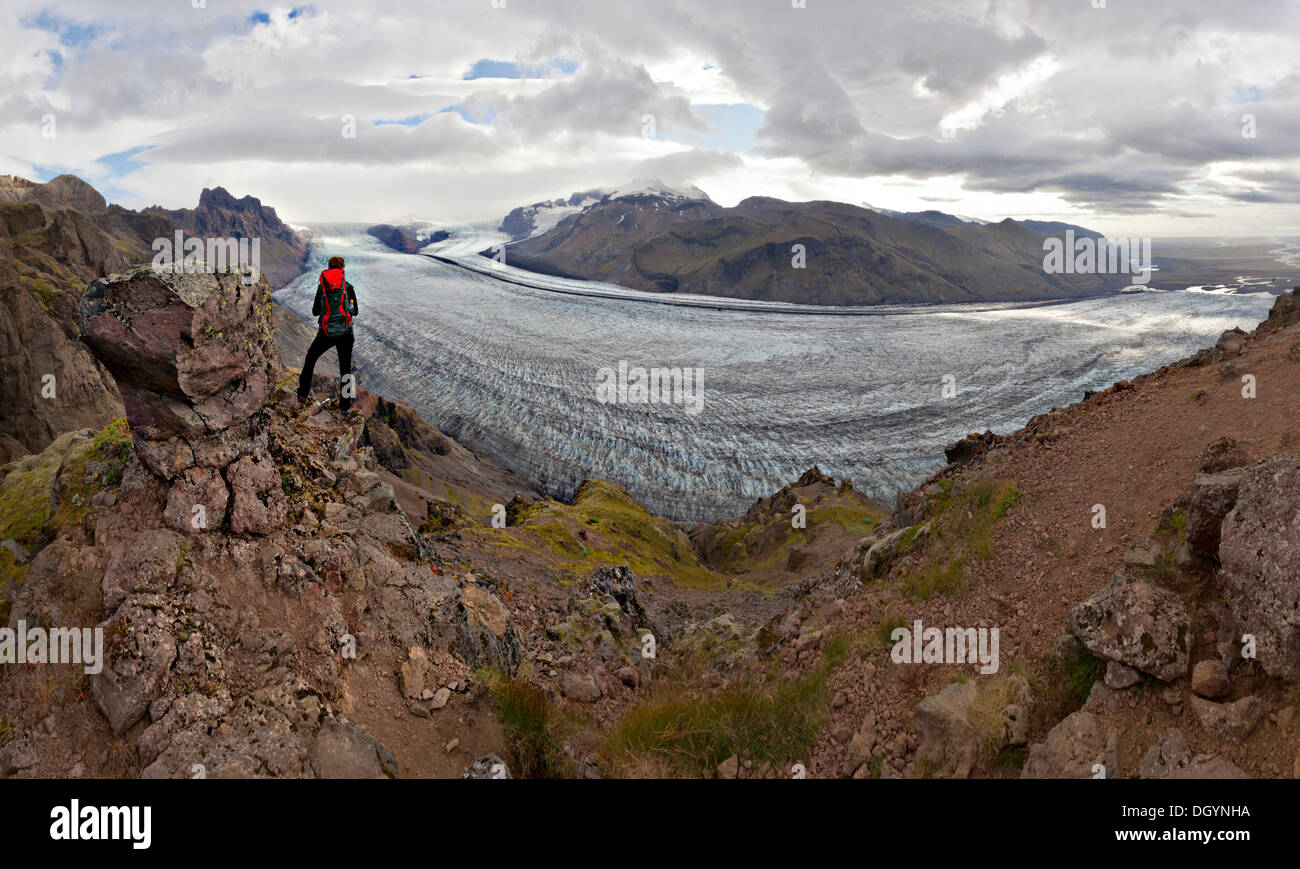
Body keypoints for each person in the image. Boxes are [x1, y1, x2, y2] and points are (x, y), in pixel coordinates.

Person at [297, 255, 359, 412]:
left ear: (329, 267)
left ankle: (302, 394)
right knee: (346, 369)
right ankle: (345, 407)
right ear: (342, 268)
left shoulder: (322, 288)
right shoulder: (348, 287)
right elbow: (355, 312)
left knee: (311, 358)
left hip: (326, 333)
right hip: (346, 333)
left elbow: (315, 311)